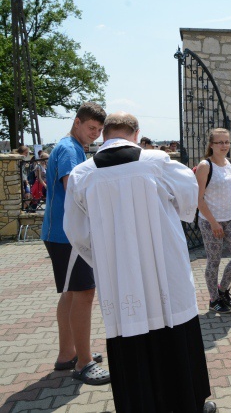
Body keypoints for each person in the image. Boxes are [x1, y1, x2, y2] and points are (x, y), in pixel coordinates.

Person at [64, 112, 216, 412]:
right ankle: (187, 404)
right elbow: (189, 195)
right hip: (165, 267)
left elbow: (76, 230)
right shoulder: (157, 162)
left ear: (105, 134)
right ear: (136, 134)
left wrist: (103, 259)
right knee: (175, 330)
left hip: (119, 276)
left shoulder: (83, 173)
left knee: (129, 335)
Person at [41, 102, 110, 385]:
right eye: (91, 128)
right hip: (67, 235)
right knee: (84, 293)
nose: (94, 134)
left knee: (71, 294)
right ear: (77, 122)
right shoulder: (70, 149)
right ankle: (83, 362)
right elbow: (75, 191)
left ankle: (67, 353)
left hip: (60, 234)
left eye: (99, 130)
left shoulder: (72, 147)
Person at [197, 128, 231, 314]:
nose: (224, 146)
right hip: (210, 221)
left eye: (226, 142)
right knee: (214, 261)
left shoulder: (230, 163)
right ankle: (214, 299)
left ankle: (223, 289)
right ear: (211, 144)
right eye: (219, 142)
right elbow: (199, 198)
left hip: (230, 219)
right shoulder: (205, 166)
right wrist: (213, 222)